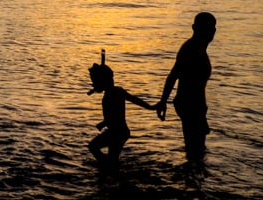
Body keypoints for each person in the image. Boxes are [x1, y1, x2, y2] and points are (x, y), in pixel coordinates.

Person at [155, 12, 217, 161]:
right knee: (195, 151)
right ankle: (191, 180)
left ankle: (194, 178)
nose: (211, 31)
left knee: (198, 150)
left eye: (213, 28)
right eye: (207, 28)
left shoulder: (201, 48)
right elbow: (173, 76)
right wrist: (163, 102)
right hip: (189, 105)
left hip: (197, 106)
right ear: (195, 28)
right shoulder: (190, 49)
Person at [87, 51, 156, 167]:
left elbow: (115, 116)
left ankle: (107, 166)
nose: (93, 85)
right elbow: (135, 100)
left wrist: (103, 123)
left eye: (94, 82)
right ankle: (109, 167)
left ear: (101, 83)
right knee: (111, 157)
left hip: (117, 132)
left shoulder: (110, 96)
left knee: (94, 147)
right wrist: (151, 107)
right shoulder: (117, 91)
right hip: (119, 131)